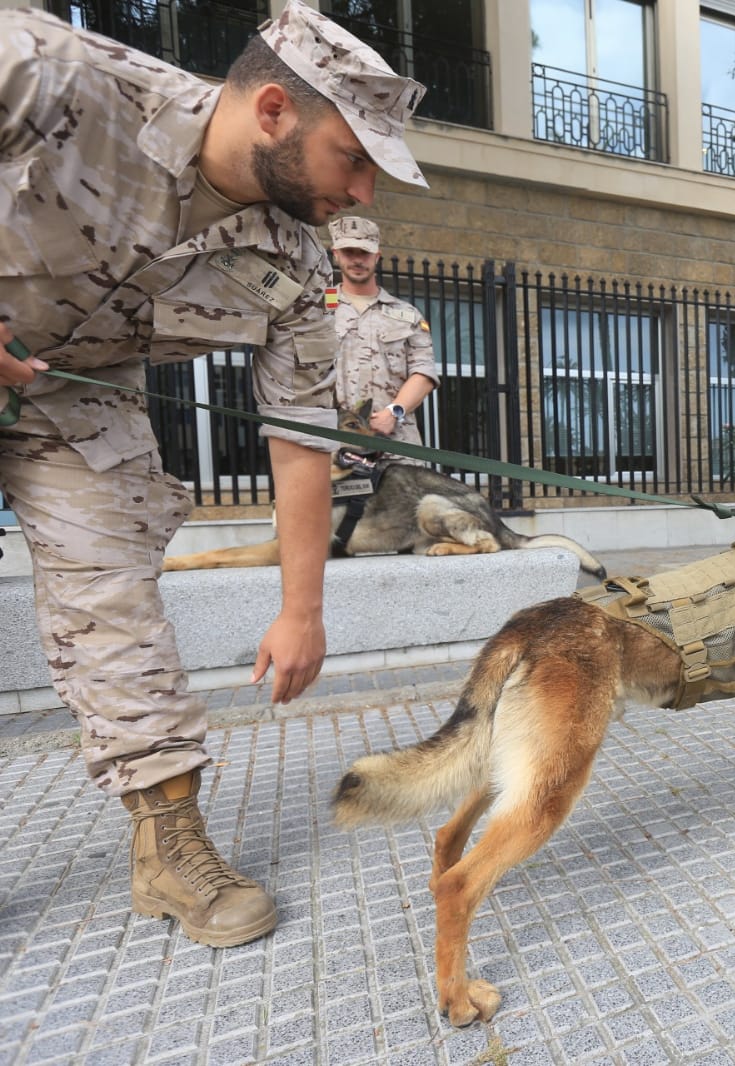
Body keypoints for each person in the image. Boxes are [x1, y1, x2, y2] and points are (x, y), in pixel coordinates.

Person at [0, 1, 426, 947]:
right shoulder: (53, 71)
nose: (363, 192)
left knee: (115, 599)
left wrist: (302, 611)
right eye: (353, 159)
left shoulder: (294, 262)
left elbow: (300, 437)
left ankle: (169, 847)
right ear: (273, 110)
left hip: (79, 397)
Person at [327, 216, 438, 459]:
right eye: (349, 252)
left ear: (377, 256)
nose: (357, 260)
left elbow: (424, 372)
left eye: (364, 253)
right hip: (334, 447)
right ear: (336, 254)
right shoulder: (316, 309)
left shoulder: (406, 315)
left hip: (395, 445)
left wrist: (394, 412)